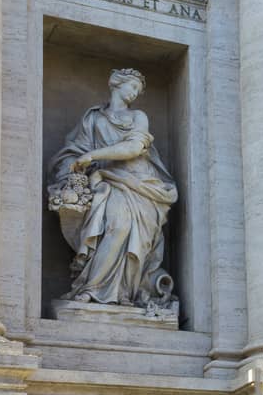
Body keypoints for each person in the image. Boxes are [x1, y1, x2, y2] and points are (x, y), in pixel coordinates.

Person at [48, 68, 177, 308]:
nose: (135, 93)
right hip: (106, 181)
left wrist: (91, 156)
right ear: (116, 84)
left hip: (140, 184)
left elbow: (133, 148)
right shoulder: (94, 118)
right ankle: (92, 288)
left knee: (125, 231)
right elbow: (73, 152)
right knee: (115, 227)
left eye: (138, 90)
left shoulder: (138, 116)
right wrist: (73, 167)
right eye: (133, 87)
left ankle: (124, 292)